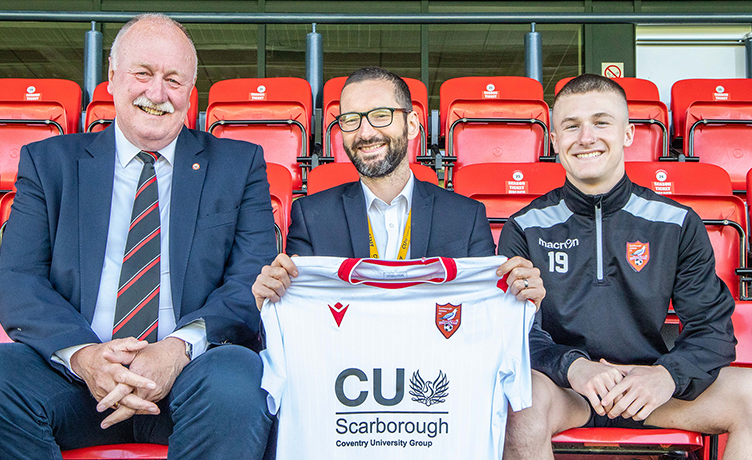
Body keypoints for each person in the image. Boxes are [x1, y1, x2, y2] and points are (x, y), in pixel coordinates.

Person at [0, 14, 277, 460]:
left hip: (191, 375)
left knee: (240, 379)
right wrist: (85, 357)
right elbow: (17, 278)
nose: (157, 94)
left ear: (191, 91)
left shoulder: (239, 166)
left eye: (174, 80)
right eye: (143, 74)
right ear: (112, 77)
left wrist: (176, 350)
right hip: (75, 381)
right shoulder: (50, 163)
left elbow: (249, 282)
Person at [499, 73, 752, 460]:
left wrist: (668, 375)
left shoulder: (677, 222)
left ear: (629, 133)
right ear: (553, 140)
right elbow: (512, 336)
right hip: (567, 391)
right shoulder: (525, 227)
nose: (586, 137)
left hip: (652, 390)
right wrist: (574, 368)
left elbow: (712, 330)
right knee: (519, 403)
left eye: (601, 122)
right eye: (571, 125)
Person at [252, 66, 544, 309]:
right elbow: (301, 310)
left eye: (381, 115)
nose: (365, 133)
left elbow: (487, 308)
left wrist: (520, 296)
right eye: (351, 120)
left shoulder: (466, 218)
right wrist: (269, 297)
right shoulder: (311, 217)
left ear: (413, 124)